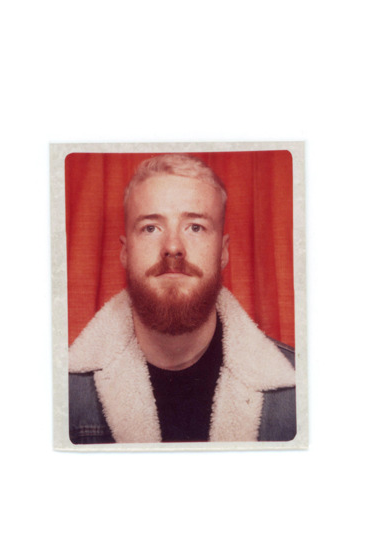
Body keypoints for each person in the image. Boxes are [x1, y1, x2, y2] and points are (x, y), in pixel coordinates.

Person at [68, 154, 296, 444]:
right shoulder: (61, 390)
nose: (173, 247)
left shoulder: (298, 387)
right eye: (151, 228)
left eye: (195, 227)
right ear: (125, 252)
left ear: (223, 251)